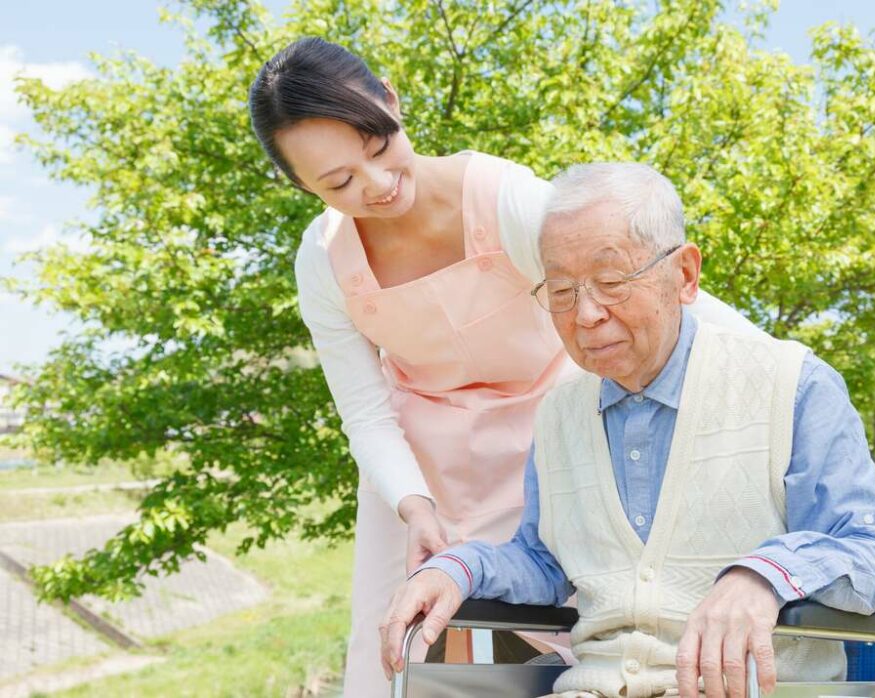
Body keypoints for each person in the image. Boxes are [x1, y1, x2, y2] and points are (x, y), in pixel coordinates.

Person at [248, 39, 760, 697]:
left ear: (392, 101)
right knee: (389, 644)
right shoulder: (323, 260)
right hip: (417, 463)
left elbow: (645, 286)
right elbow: (364, 409)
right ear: (301, 186)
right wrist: (413, 504)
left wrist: (779, 375)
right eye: (339, 182)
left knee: (601, 623)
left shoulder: (503, 199)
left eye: (378, 146)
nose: (376, 186)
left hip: (549, 437)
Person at [381, 163, 875, 698]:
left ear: (684, 276)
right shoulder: (559, 413)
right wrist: (457, 569)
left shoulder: (794, 385)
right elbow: (543, 561)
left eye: (611, 283)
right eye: (561, 291)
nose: (585, 314)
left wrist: (765, 575)